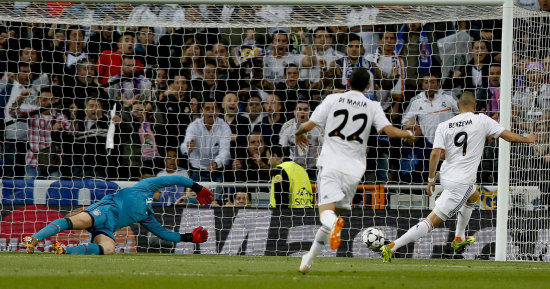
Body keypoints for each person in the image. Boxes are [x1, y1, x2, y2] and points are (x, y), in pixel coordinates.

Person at [381, 92, 537, 263]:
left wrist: (431, 179)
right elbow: (507, 136)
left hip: (447, 175)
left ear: (458, 107)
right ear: (475, 105)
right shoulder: (482, 120)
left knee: (474, 194)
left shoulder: (444, 125)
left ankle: (459, 238)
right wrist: (527, 139)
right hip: (460, 182)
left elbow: (436, 154)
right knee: (432, 220)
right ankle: (392, 246)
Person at [296, 68, 415, 274]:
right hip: (354, 171)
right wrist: (408, 133)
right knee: (333, 215)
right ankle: (308, 260)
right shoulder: (373, 105)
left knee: (326, 213)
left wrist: (299, 132)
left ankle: (334, 224)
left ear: (348, 82)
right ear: (369, 85)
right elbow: (389, 131)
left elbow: (311, 124)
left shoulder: (333, 99)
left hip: (331, 164)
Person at [24, 175, 214, 255]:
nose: (161, 191)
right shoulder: (146, 186)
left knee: (108, 248)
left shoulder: (146, 215)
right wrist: (196, 187)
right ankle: (34, 238)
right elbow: (174, 178)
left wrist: (189, 237)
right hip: (105, 210)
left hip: (106, 227)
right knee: (78, 220)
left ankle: (65, 251)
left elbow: (163, 234)